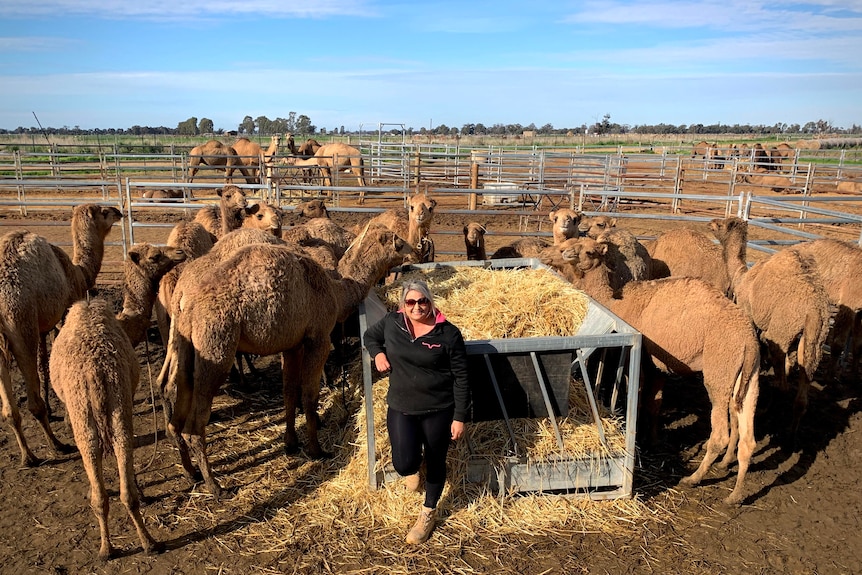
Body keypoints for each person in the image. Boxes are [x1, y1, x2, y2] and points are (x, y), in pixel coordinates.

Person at [363, 279, 471, 545]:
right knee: (403, 463)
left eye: (422, 301)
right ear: (403, 304)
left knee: (436, 460)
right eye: (410, 302)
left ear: (430, 301)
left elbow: (462, 377)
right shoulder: (391, 322)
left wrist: (460, 417)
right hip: (401, 405)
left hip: (438, 408)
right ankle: (413, 467)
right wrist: (377, 354)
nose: (417, 307)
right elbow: (370, 337)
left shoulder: (448, 334)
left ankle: (428, 512)